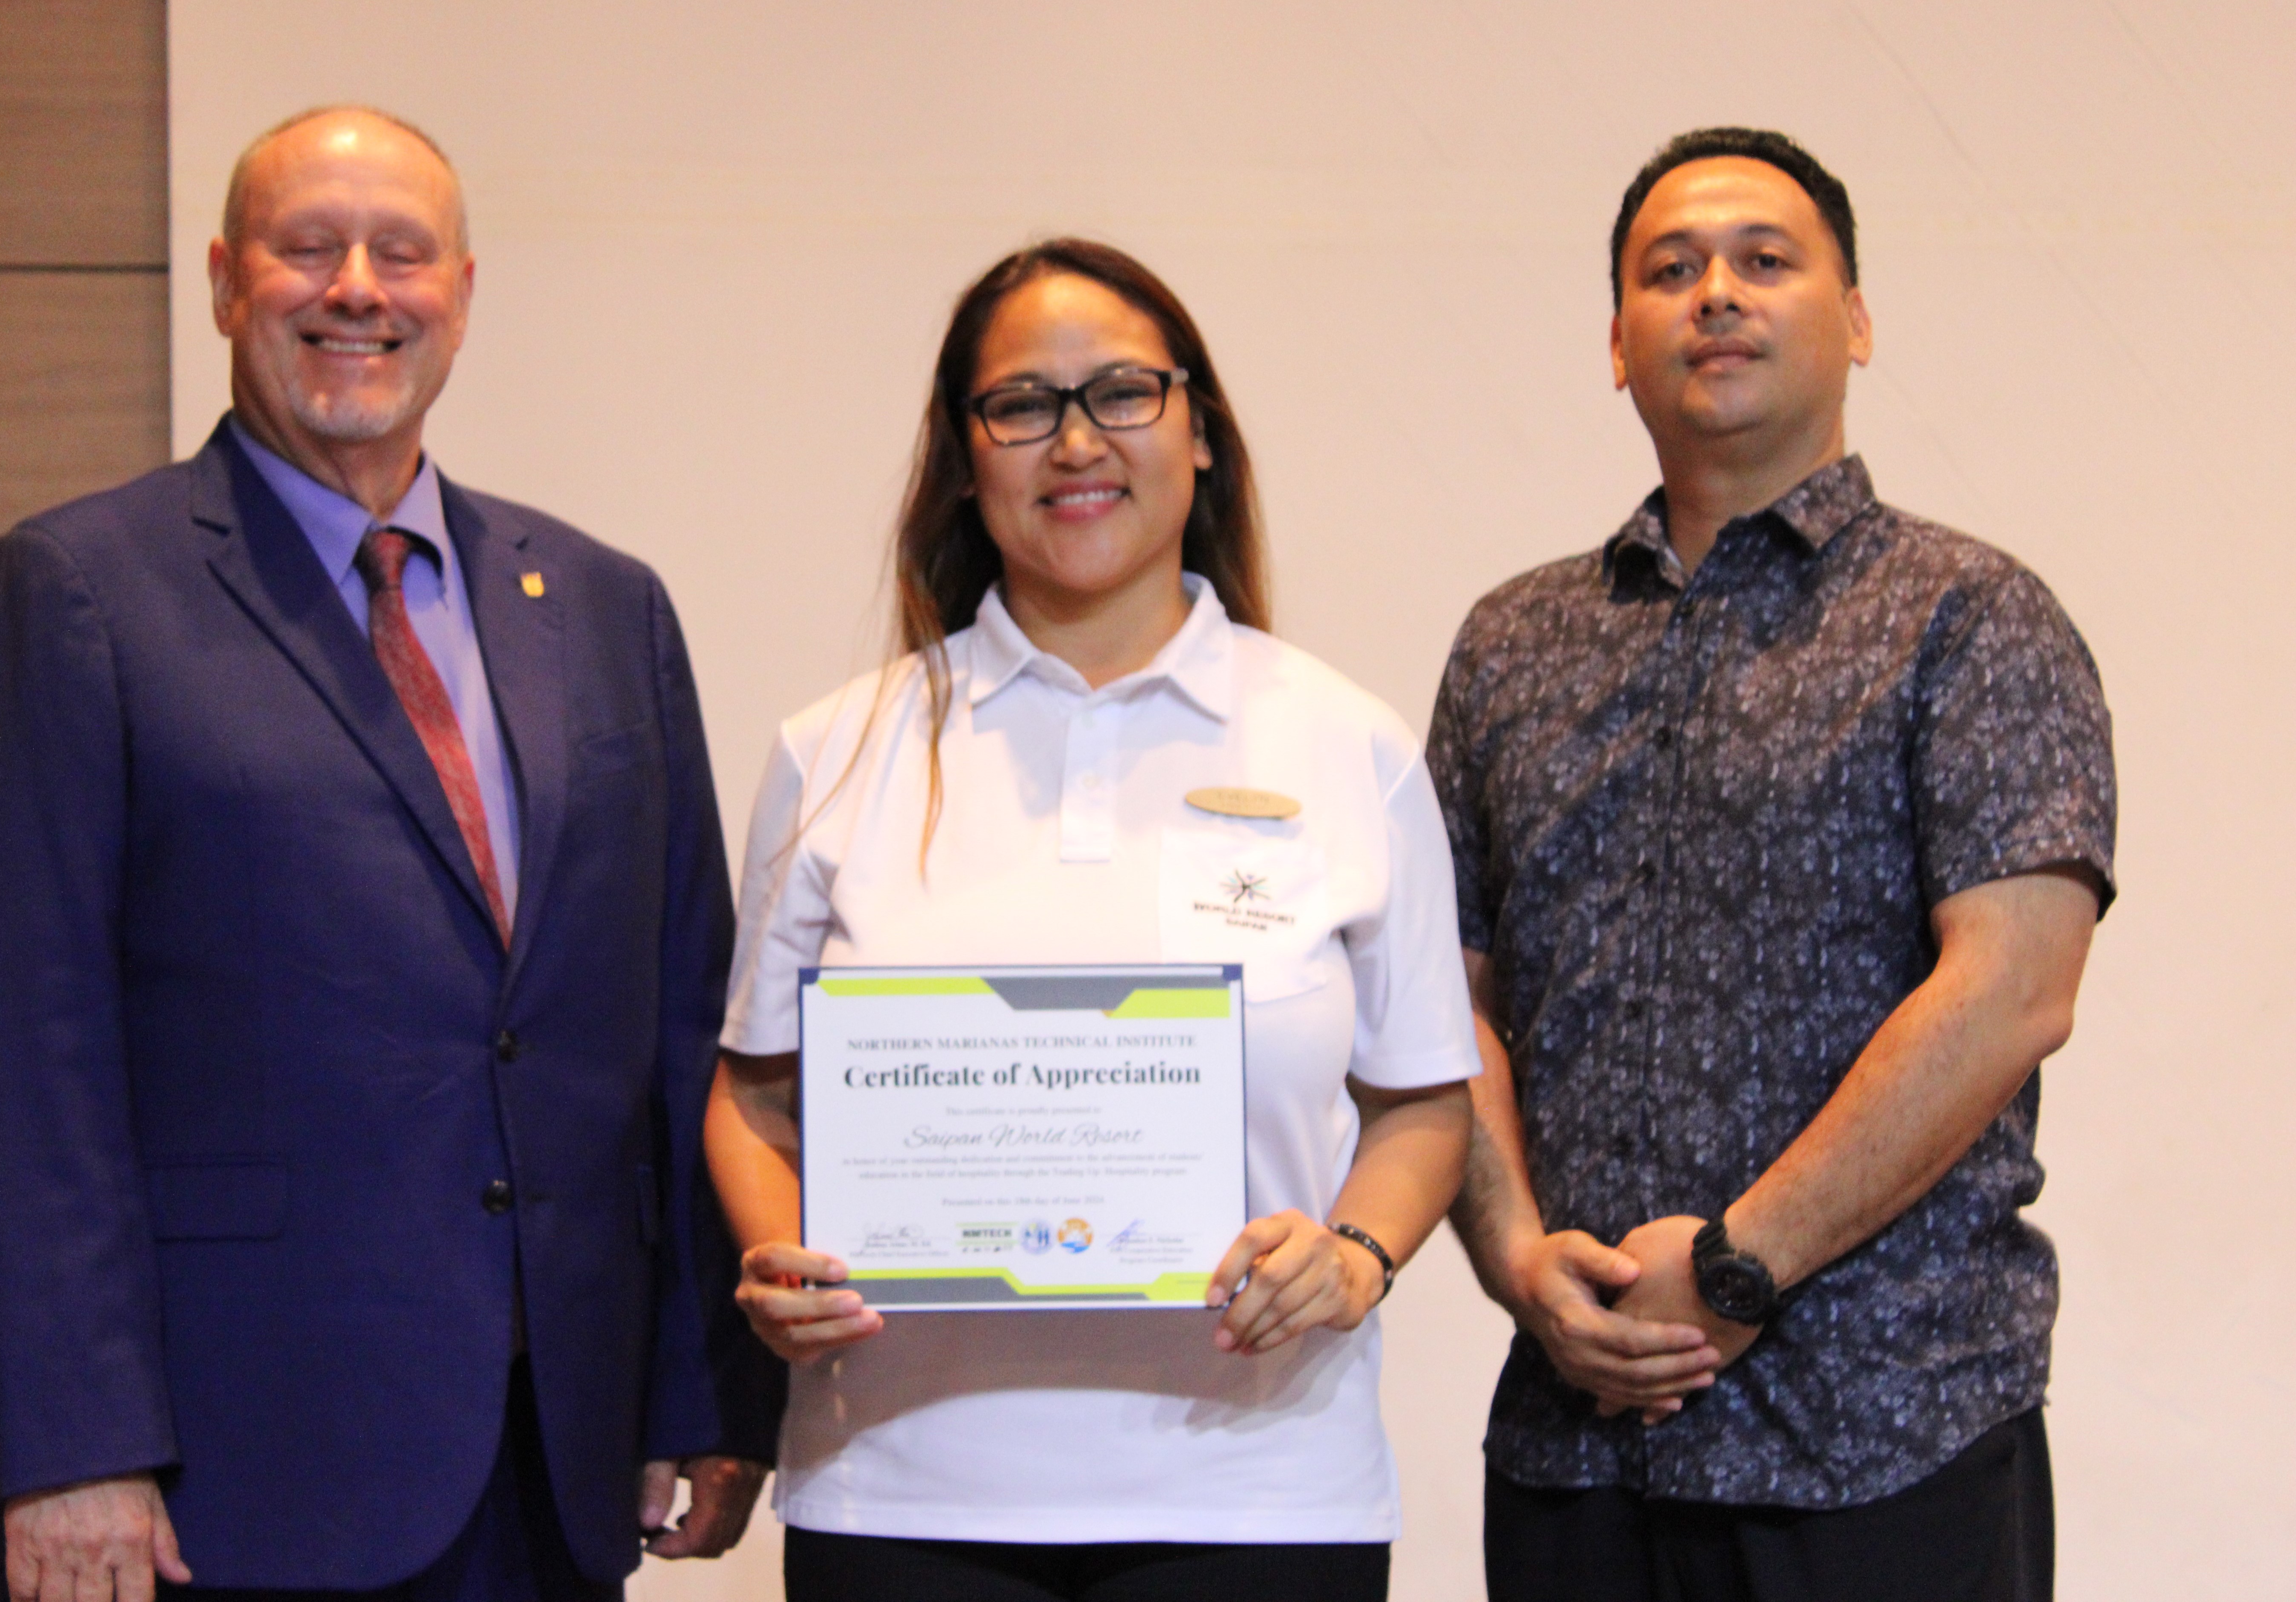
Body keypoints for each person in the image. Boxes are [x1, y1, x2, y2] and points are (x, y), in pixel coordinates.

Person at [0, 105, 780, 1602]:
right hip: (214, 1480)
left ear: (463, 292)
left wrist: (694, 1390)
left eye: (402, 253)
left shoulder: (608, 610)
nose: (358, 287)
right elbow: (12, 1050)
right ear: (230, 283)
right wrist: (71, 1441)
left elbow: (675, 1024)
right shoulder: (77, 594)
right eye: (309, 249)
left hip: (548, 1462)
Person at [702, 238, 1480, 1602]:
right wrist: (778, 1257)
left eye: (1123, 392)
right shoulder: (838, 751)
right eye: (1022, 405)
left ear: (1202, 436)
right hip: (902, 1490)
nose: (1077, 442)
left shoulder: (1347, 745)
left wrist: (1353, 1259)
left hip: (1262, 1497)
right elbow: (754, 1097)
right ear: (965, 456)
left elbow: (1424, 1103)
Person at [1427, 126, 2117, 1602]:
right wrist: (1516, 1259)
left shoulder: (1972, 618)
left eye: (1765, 260)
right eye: (1669, 272)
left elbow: (2013, 990)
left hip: (1886, 1429)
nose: (1716, 295)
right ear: (1618, 343)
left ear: (1856, 318)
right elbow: (1442, 996)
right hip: (1577, 1441)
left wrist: (1739, 1267)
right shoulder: (1510, 645)